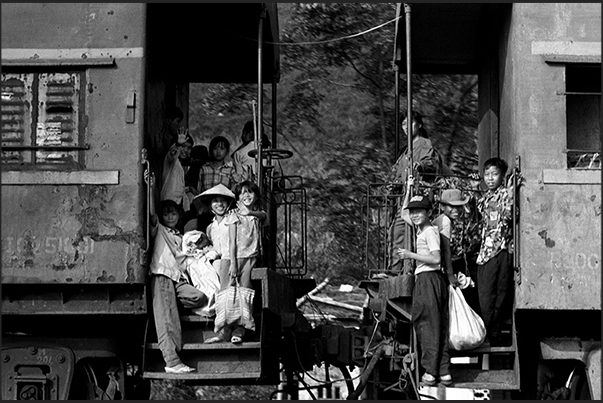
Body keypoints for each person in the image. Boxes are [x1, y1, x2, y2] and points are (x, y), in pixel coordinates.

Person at [145, 171, 208, 374]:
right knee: (166, 318)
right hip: (163, 275)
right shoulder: (160, 230)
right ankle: (172, 361)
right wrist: (149, 186)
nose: (170, 216)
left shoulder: (180, 236)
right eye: (167, 213)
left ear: (179, 215)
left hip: (178, 280)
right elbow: (152, 216)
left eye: (173, 213)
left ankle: (173, 305)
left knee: (199, 297)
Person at [398, 175, 451, 386]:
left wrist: (411, 256)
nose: (415, 215)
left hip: (429, 278)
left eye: (420, 211)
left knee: (428, 324)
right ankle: (444, 372)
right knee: (436, 324)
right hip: (429, 279)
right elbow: (403, 212)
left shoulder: (429, 231)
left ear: (429, 213)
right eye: (414, 211)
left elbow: (436, 258)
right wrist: (409, 188)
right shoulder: (420, 227)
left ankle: (431, 372)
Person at [387, 111, 450, 272]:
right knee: (396, 232)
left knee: (407, 232)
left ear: (419, 125)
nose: (406, 127)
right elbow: (395, 173)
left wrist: (420, 167)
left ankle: (403, 269)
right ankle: (395, 269)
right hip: (404, 199)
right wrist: (391, 185)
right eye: (403, 124)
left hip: (418, 197)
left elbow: (431, 164)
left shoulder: (424, 144)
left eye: (410, 123)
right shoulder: (404, 151)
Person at [475, 157, 515, 347]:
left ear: (502, 176)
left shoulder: (506, 195)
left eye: (495, 174)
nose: (490, 178)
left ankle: (493, 334)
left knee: (500, 296)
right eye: (487, 174)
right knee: (485, 297)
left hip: (502, 250)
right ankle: (488, 333)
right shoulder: (482, 199)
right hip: (485, 254)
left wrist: (510, 189)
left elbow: (509, 216)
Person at [222, 180, 267, 343]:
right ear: (238, 198)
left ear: (255, 196)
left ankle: (239, 330)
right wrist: (233, 264)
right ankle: (225, 328)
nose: (246, 195)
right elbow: (232, 241)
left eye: (250, 192)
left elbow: (264, 215)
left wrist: (250, 213)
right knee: (228, 293)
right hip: (231, 258)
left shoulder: (256, 214)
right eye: (242, 193)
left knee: (245, 292)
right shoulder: (233, 214)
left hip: (249, 258)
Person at [193, 184, 237, 344]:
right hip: (219, 264)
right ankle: (222, 330)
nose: (219, 204)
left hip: (232, 262)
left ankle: (231, 330)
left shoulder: (232, 221)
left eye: (223, 201)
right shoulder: (210, 227)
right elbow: (216, 248)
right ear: (210, 205)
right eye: (215, 201)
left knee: (229, 295)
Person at [194, 136, 236, 232]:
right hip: (206, 211)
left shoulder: (230, 170)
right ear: (210, 150)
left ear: (227, 151)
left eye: (222, 149)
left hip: (224, 211)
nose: (218, 152)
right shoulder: (204, 169)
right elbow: (199, 191)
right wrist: (202, 208)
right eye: (215, 148)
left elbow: (232, 192)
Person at [160, 128, 194, 216]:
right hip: (168, 206)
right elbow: (172, 153)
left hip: (177, 207)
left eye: (189, 148)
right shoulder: (171, 161)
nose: (186, 150)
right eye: (183, 146)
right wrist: (178, 144)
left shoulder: (181, 165)